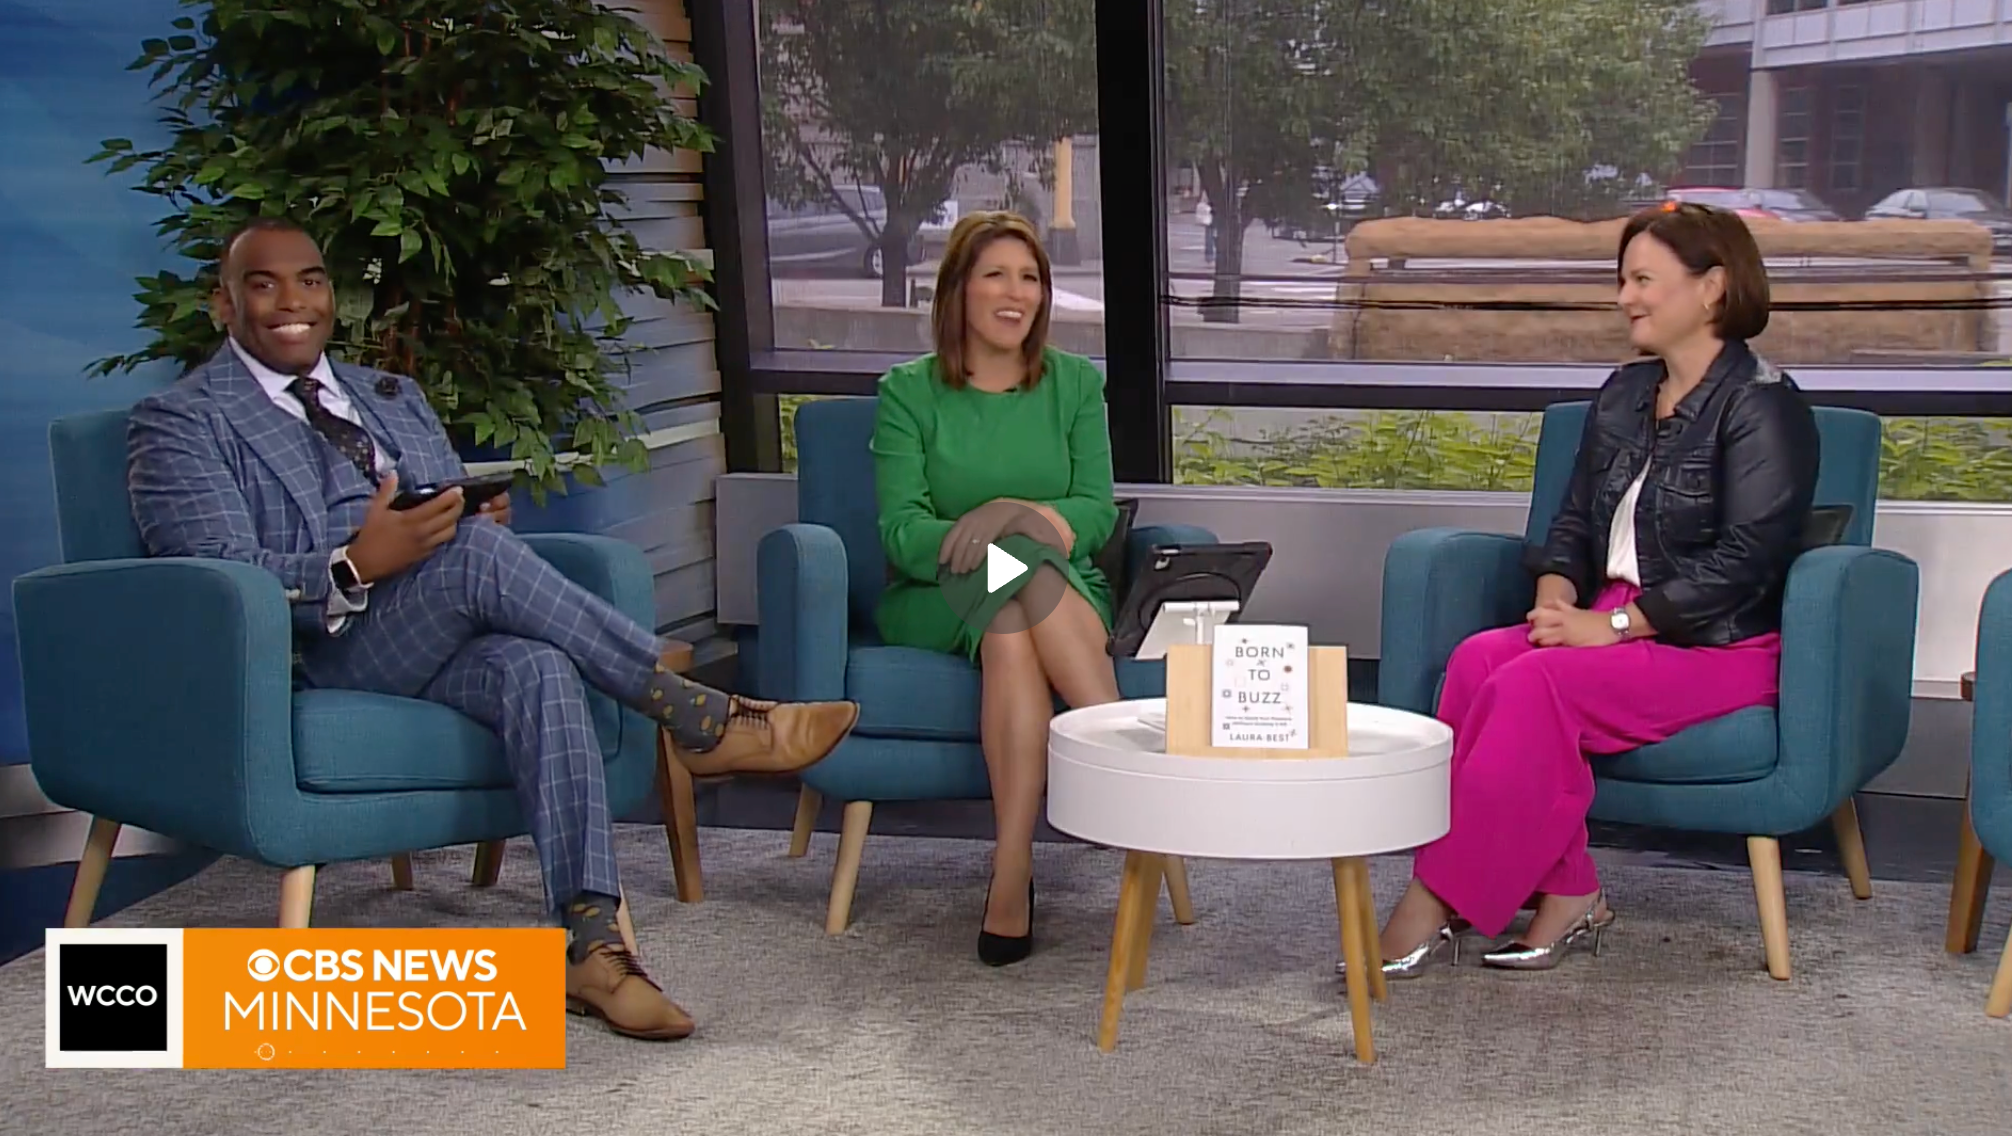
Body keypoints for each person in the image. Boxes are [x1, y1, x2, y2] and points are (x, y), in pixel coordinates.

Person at [125, 217, 861, 1040]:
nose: (293, 301)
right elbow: (215, 574)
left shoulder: (388, 395)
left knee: (536, 666)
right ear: (224, 303)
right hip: (318, 651)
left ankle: (589, 944)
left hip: (427, 625)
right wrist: (356, 562)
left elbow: (444, 524)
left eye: (312, 280)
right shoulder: (181, 422)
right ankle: (697, 715)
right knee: (476, 557)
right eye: (264, 284)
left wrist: (467, 519)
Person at [1353, 201, 1820, 978]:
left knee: (1538, 685)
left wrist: (1618, 626)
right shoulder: (1624, 393)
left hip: (1716, 644)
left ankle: (1434, 901)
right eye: (1623, 280)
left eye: (1644, 280)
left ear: (1712, 288)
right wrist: (1555, 594)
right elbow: (1572, 520)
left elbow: (1749, 559)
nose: (1626, 298)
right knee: (1477, 660)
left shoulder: (1765, 404)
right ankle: (1569, 892)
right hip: (1617, 622)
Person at [870, 212, 1121, 967]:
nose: (1018, 294)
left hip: (1055, 587)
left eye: (1031, 278)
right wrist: (977, 541)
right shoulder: (908, 393)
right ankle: (1125, 748)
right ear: (957, 290)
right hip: (936, 590)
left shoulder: (1074, 383)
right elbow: (901, 532)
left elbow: (1097, 511)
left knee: (1012, 612)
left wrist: (1011, 517)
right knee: (1013, 574)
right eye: (996, 276)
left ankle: (1011, 870)